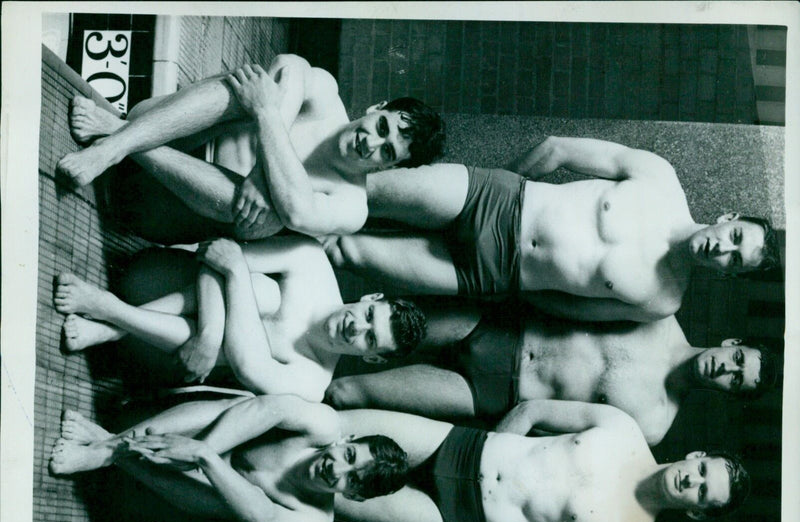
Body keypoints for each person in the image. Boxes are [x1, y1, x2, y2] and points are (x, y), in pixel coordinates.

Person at [326, 135, 781, 320]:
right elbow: (557, 149)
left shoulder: (663, 301)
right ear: (729, 219)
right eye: (736, 237)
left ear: (728, 274)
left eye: (734, 260)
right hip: (498, 198)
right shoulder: (659, 178)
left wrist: (512, 285)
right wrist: (498, 182)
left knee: (346, 252)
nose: (723, 249)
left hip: (493, 275)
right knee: (365, 191)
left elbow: (569, 310)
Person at [331, 401, 751, 522]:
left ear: (696, 511)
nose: (690, 481)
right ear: (695, 455)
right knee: (337, 429)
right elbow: (533, 410)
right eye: (701, 471)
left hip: (455, 519)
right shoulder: (624, 429)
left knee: (332, 492)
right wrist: (491, 446)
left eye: (701, 493)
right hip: (459, 447)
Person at [57, 58, 445, 244]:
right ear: (377, 108)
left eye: (387, 152)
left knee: (271, 216)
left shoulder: (352, 205)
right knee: (252, 88)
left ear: (388, 167)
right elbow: (290, 65)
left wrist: (267, 118)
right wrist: (264, 168)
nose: (371, 143)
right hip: (157, 124)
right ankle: (114, 146)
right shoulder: (325, 92)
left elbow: (298, 210)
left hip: (156, 208)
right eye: (382, 128)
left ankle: (118, 135)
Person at [326, 300, 778, 445]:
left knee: (350, 391)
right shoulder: (659, 318)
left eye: (736, 380)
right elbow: (567, 297)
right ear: (732, 345)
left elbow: (555, 439)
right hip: (500, 328)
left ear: (729, 394)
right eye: (738, 360)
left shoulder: (654, 424)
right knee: (368, 328)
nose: (726, 369)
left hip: (492, 395)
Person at [53, 236, 427, 395]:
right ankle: (113, 321)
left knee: (237, 345)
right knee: (264, 292)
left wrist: (213, 339)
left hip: (164, 359)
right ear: (371, 296)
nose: (356, 327)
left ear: (372, 357)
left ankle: (110, 316)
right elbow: (218, 253)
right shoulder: (312, 262)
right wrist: (212, 331)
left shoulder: (313, 382)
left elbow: (248, 367)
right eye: (369, 315)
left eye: (369, 338)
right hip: (159, 284)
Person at [48, 397, 409, 522]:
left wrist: (205, 458)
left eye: (352, 479)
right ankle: (108, 449)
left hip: (177, 494)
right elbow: (265, 409)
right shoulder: (323, 424)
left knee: (235, 503)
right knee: (236, 405)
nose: (337, 469)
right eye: (348, 454)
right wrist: (200, 450)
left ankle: (114, 450)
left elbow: (261, 518)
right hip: (171, 431)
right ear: (346, 439)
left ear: (355, 497)